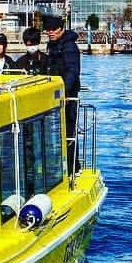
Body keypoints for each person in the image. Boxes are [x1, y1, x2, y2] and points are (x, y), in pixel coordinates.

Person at [43, 13, 81, 169]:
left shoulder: (69, 46)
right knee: (55, 133)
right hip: (54, 95)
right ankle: (59, 165)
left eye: (54, 29)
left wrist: (64, 92)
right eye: (48, 30)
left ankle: (73, 167)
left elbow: (72, 71)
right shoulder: (53, 44)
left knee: (68, 132)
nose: (50, 32)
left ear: (61, 29)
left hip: (67, 96)